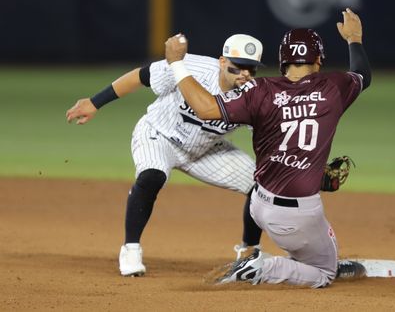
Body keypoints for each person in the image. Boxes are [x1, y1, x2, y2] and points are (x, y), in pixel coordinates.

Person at [163, 7, 371, 288]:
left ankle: (280, 254)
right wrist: (354, 38)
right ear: (318, 60)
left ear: (282, 61)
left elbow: (205, 108)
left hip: (259, 206)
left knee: (308, 245)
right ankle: (262, 268)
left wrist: (176, 63)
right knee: (324, 272)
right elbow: (362, 74)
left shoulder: (258, 90)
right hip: (298, 216)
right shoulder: (334, 87)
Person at [66, 34, 265, 276]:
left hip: (205, 150)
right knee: (152, 176)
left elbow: (268, 134)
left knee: (261, 186)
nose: (244, 74)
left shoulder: (254, 94)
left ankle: (248, 252)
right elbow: (141, 76)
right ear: (222, 61)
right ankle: (130, 248)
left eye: (250, 69)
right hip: (159, 135)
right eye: (238, 67)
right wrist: (95, 103)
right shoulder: (192, 66)